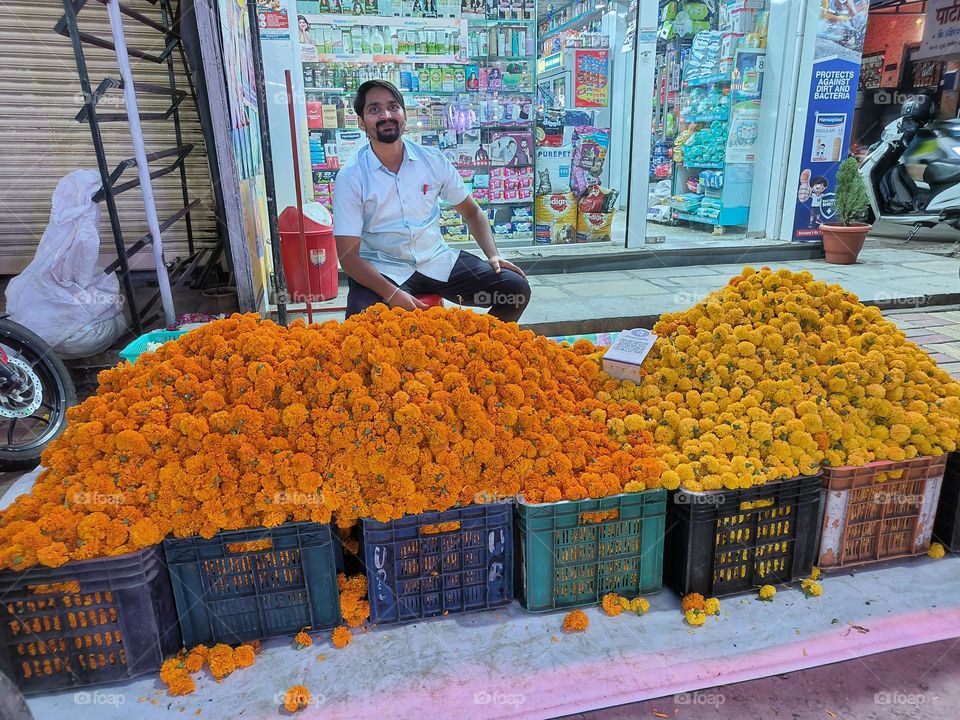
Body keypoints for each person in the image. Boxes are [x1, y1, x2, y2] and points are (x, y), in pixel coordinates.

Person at [333, 80, 531, 321]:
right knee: (361, 321)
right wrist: (392, 294)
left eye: (393, 107)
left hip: (436, 260)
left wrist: (494, 255)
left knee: (515, 290)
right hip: (384, 269)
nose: (386, 115)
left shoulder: (432, 160)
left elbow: (472, 212)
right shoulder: (351, 176)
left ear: (404, 115)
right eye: (374, 109)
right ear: (362, 122)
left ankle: (478, 351)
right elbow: (348, 257)